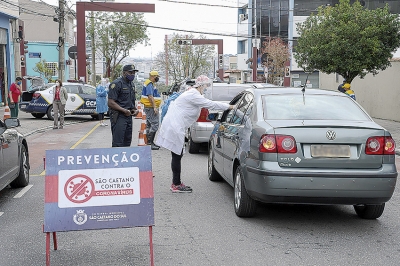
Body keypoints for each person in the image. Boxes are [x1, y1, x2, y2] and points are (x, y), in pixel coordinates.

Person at [155, 75, 234, 193]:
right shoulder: (194, 95)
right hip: (175, 126)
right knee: (177, 154)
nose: (207, 88)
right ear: (201, 85)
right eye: (206, 86)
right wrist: (229, 106)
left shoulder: (192, 93)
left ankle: (176, 182)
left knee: (177, 154)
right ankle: (176, 184)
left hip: (175, 125)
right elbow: (210, 104)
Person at [107, 64, 139, 147]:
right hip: (118, 116)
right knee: (118, 142)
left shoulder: (131, 84)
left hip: (128, 116)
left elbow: (130, 100)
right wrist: (123, 110)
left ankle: (125, 159)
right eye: (130, 72)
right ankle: (116, 159)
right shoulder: (116, 84)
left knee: (127, 141)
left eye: (133, 73)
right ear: (124, 73)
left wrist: (134, 109)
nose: (132, 75)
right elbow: (110, 102)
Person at [140, 70, 162, 150]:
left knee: (149, 124)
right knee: (155, 124)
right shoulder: (149, 84)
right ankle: (150, 143)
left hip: (149, 107)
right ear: (153, 76)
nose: (157, 78)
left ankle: (149, 142)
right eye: (157, 77)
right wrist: (154, 107)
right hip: (150, 107)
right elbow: (150, 96)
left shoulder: (150, 83)